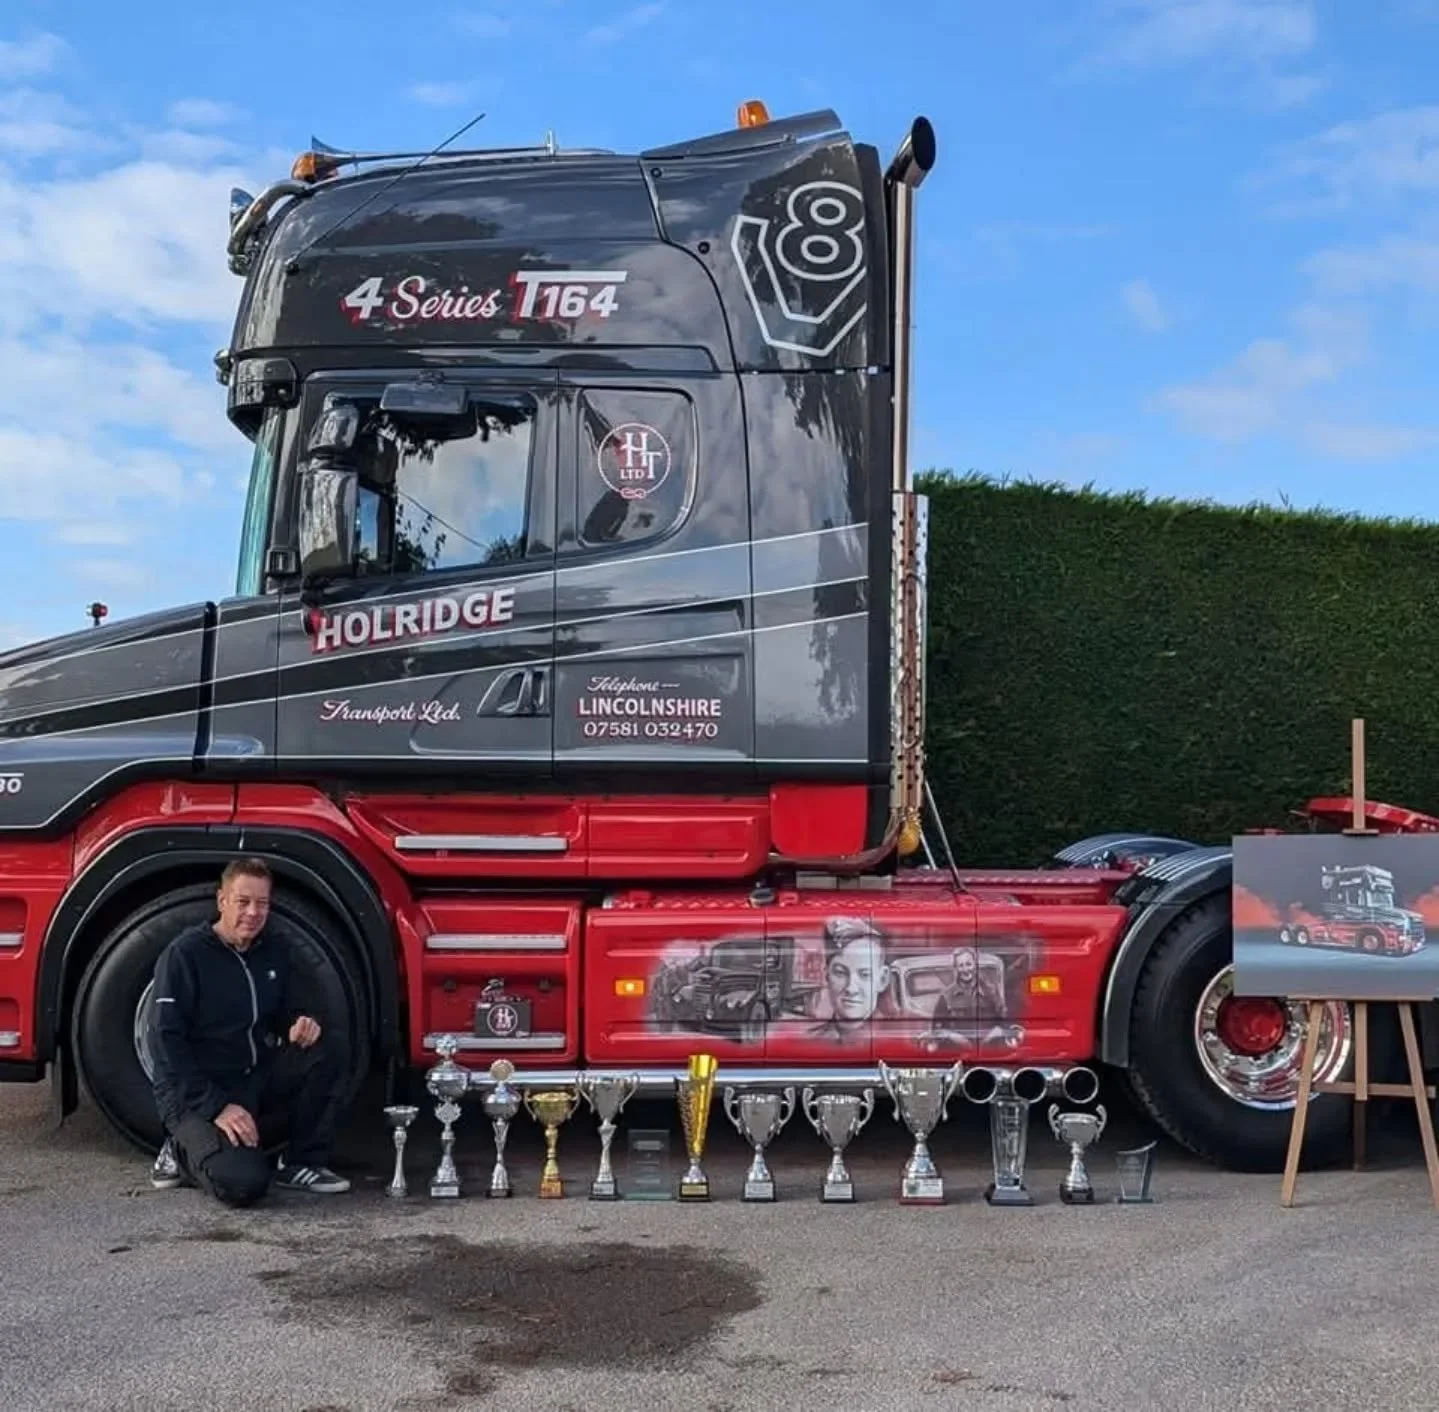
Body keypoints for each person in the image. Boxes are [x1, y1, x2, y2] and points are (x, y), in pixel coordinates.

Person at [146, 857, 351, 1204]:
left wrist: (299, 1022)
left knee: (328, 1048)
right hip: (195, 1094)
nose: (253, 913)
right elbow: (165, 1044)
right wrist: (216, 1107)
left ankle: (301, 1163)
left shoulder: (273, 950)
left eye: (262, 903)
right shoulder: (184, 955)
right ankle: (179, 1150)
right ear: (222, 900)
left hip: (250, 1080)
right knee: (243, 1184)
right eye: (243, 902)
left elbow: (286, 1011)